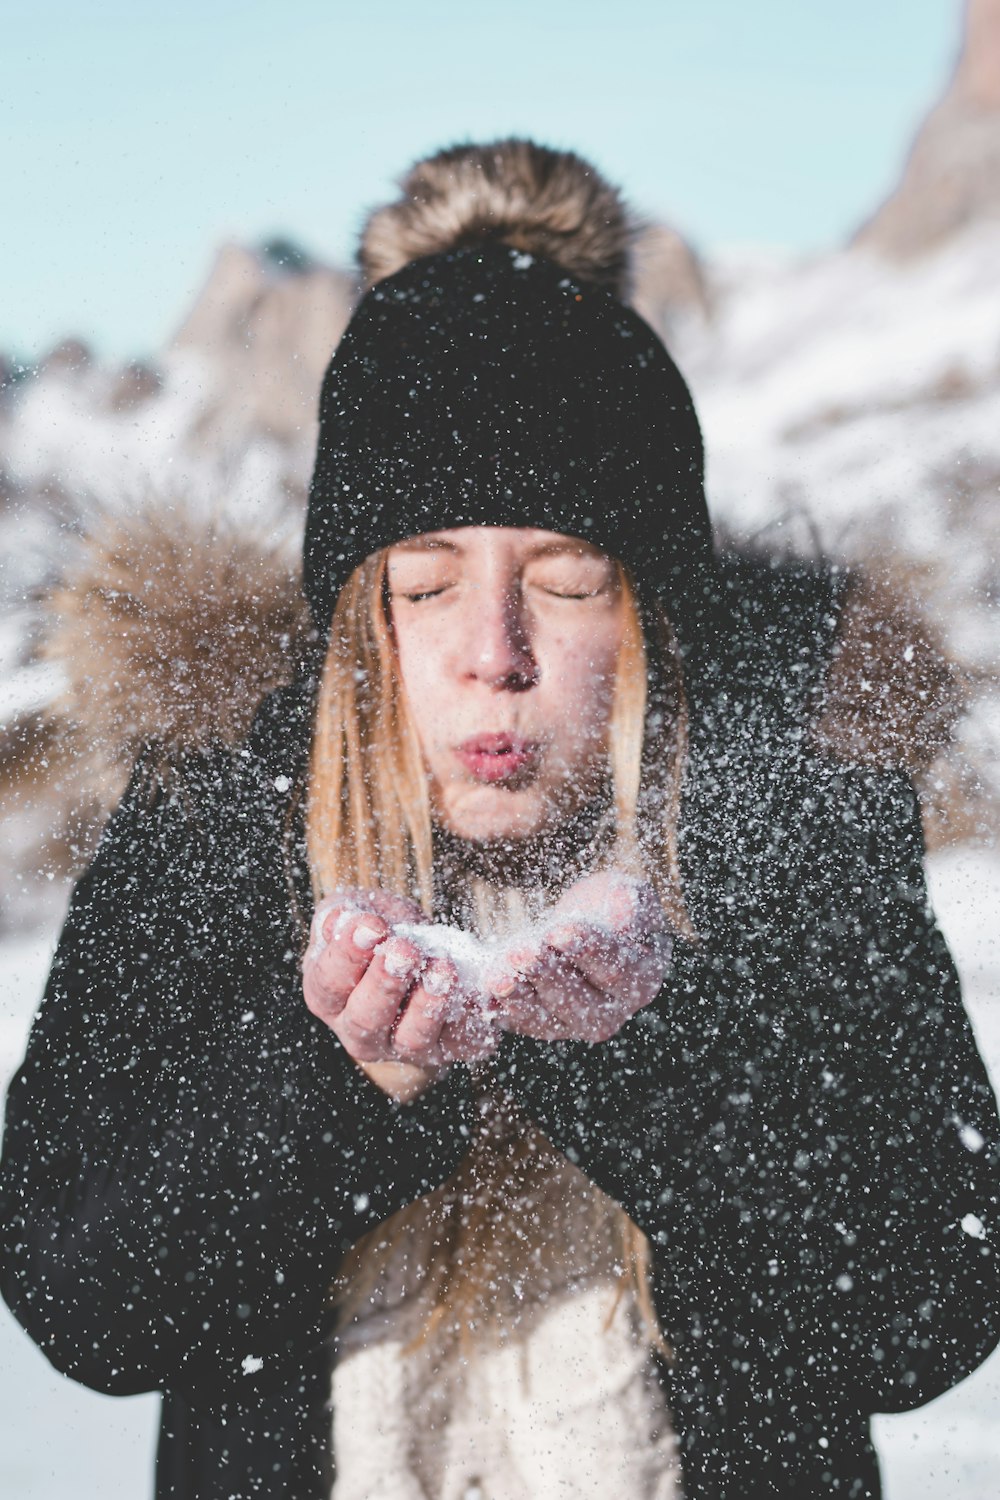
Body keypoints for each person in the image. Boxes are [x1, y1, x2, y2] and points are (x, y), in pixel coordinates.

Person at [2, 139, 998, 1500]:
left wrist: (644, 1058)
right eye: (424, 584)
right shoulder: (217, 819)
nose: (496, 650)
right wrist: (349, 1084)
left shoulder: (796, 824)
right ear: (358, 620)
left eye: (569, 581)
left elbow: (929, 1309)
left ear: (654, 607)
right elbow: (83, 1302)